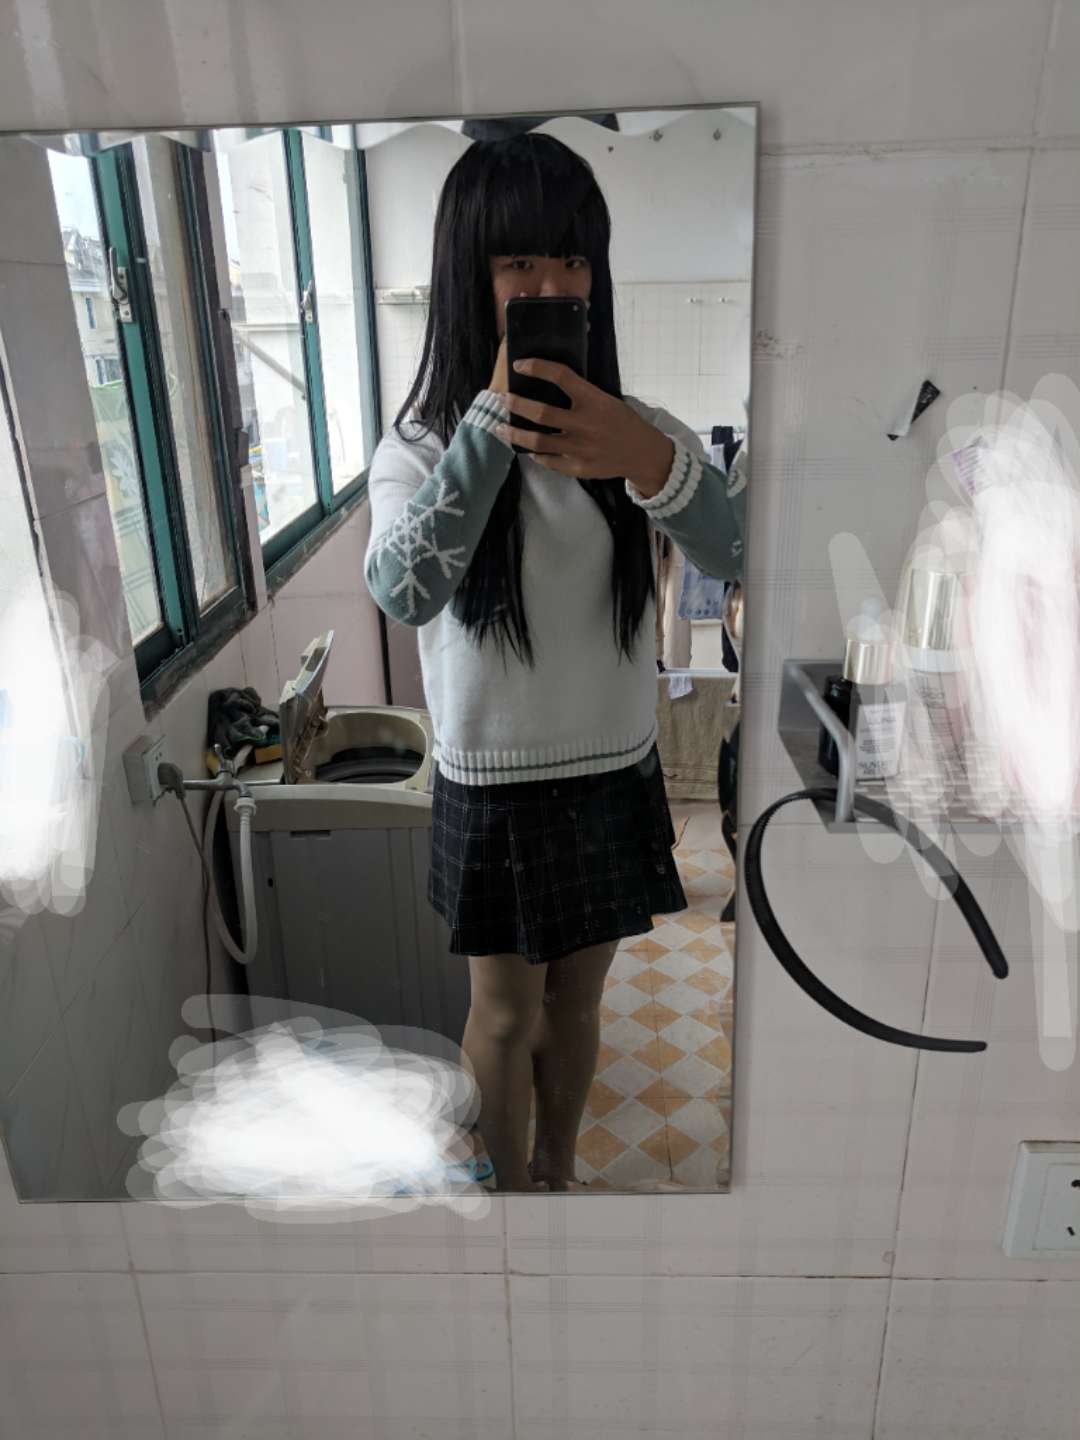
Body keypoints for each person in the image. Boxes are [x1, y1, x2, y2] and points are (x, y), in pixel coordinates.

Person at [364, 132, 744, 1192]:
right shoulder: (421, 448)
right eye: (518, 262)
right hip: (493, 783)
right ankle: (507, 1200)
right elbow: (402, 588)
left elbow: (740, 548)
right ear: (467, 276)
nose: (550, 286)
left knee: (578, 1006)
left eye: (572, 259)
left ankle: (557, 1175)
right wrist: (492, 424)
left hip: (612, 768)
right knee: (502, 1012)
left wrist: (649, 459)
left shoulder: (634, 434)